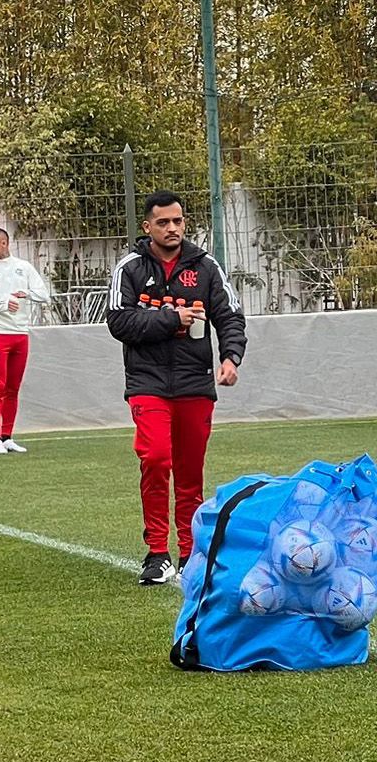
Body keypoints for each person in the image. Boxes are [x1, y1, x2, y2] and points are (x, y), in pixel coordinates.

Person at [108, 190, 246, 586]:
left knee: (189, 474)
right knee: (154, 458)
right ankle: (156, 553)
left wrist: (230, 357)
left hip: (194, 383)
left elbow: (231, 315)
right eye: (164, 222)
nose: (172, 228)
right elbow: (119, 322)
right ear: (147, 226)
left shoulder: (205, 268)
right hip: (147, 382)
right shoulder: (130, 269)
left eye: (178, 221)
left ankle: (189, 554)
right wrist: (172, 318)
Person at [0, 227, 51, 455]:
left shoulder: (23, 268)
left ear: (4, 243)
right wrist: (3, 304)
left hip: (20, 335)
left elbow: (44, 294)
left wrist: (25, 294)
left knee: (13, 388)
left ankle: (7, 437)